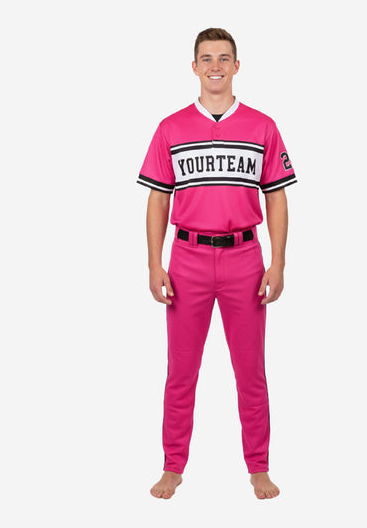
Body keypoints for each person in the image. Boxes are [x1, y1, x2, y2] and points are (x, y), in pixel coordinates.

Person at [137, 27, 297, 500]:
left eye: (224, 58)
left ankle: (258, 467)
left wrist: (278, 263)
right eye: (206, 59)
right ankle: (173, 466)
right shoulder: (170, 128)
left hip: (245, 258)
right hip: (186, 258)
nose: (215, 67)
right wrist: (154, 264)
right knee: (180, 371)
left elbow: (277, 197)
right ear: (194, 67)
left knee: (251, 370)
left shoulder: (262, 126)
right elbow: (158, 199)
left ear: (236, 66)